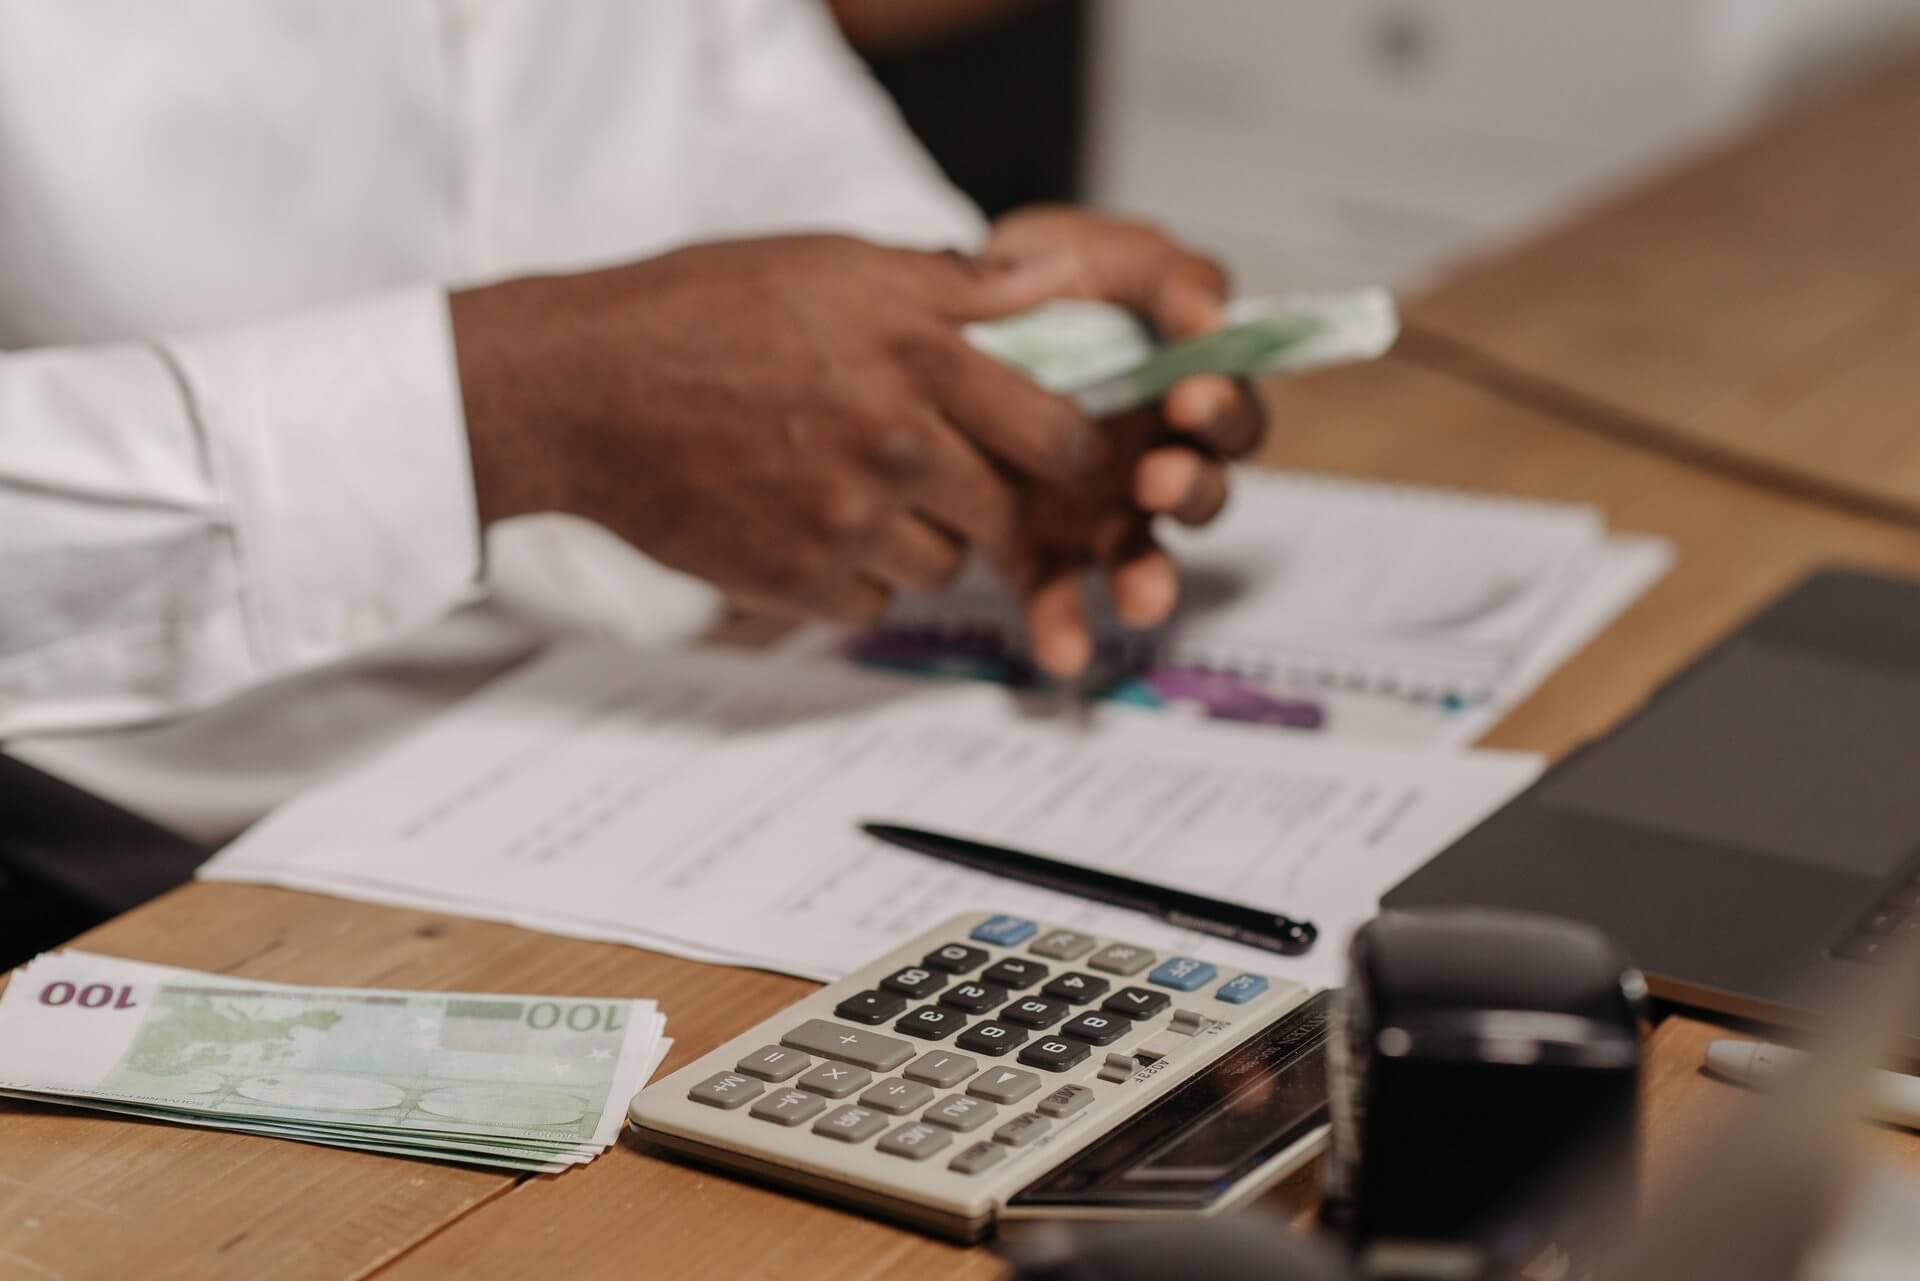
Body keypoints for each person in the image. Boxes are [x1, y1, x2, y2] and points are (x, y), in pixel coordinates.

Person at [0, 1, 1263, 846]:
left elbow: (749, 104)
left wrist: (996, 347)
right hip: (156, 841)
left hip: (687, 727)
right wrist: (502, 408)